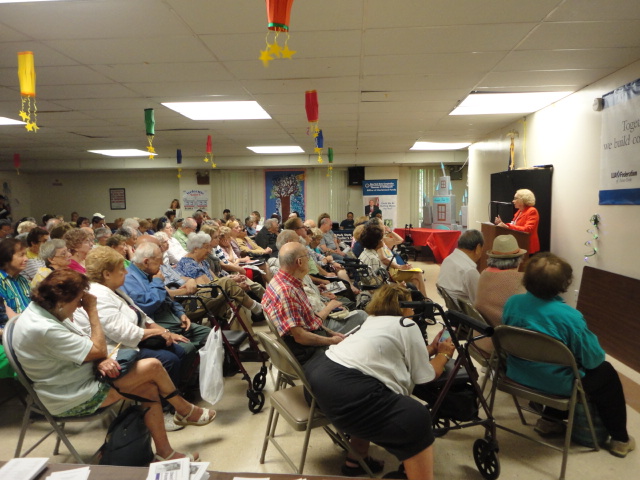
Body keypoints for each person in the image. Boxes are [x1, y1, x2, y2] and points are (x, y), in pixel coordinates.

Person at [12, 269, 214, 462]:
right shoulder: (44, 327)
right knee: (153, 366)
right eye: (78, 301)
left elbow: (87, 346)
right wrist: (92, 311)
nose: (79, 306)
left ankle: (166, 449)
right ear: (62, 301)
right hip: (70, 396)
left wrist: (99, 359)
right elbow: (97, 349)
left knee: (149, 385)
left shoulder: (45, 310)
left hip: (77, 378)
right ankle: (184, 411)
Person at [305, 284, 455, 480]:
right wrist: (444, 354)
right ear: (404, 307)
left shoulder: (373, 319)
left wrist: (431, 349)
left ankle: (356, 460)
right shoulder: (406, 324)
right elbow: (425, 376)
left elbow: (391, 355)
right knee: (416, 417)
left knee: (375, 391)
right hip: (346, 391)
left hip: (320, 379)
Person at [502, 253, 634, 457]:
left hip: (516, 374)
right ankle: (620, 439)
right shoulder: (570, 317)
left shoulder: (512, 303)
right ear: (563, 284)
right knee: (606, 372)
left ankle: (548, 422)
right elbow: (593, 360)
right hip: (557, 385)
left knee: (556, 365)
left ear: (526, 278)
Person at [121, 242, 212, 363]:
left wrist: (180, 313)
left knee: (210, 335)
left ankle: (202, 370)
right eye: (159, 260)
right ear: (146, 261)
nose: (162, 264)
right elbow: (146, 306)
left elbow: (167, 298)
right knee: (187, 348)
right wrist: (158, 282)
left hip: (174, 320)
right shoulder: (128, 278)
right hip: (157, 325)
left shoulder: (150, 273)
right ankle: (189, 373)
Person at [262, 242, 346, 365]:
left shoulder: (282, 280)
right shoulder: (287, 291)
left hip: (310, 338)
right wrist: (332, 341)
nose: (310, 260)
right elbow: (301, 337)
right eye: (308, 256)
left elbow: (308, 319)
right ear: (300, 262)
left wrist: (330, 332)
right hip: (307, 353)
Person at [473, 234, 526, 354]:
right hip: (501, 346)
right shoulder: (519, 280)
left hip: (480, 337)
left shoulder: (484, 273)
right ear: (518, 259)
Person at [436, 229, 484, 304]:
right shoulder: (469, 270)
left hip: (452, 308)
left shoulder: (448, 259)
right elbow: (479, 302)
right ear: (478, 248)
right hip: (466, 310)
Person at [494, 188, 540, 255]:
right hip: (519, 244)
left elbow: (528, 229)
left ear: (523, 199)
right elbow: (514, 225)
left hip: (528, 245)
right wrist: (502, 224)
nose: (513, 201)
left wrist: (507, 226)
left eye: (515, 198)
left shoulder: (532, 211)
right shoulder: (519, 211)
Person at [0, 238, 31, 314]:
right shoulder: (1, 281)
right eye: (21, 255)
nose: (26, 259)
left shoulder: (23, 280)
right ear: (7, 257)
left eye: (26, 255)